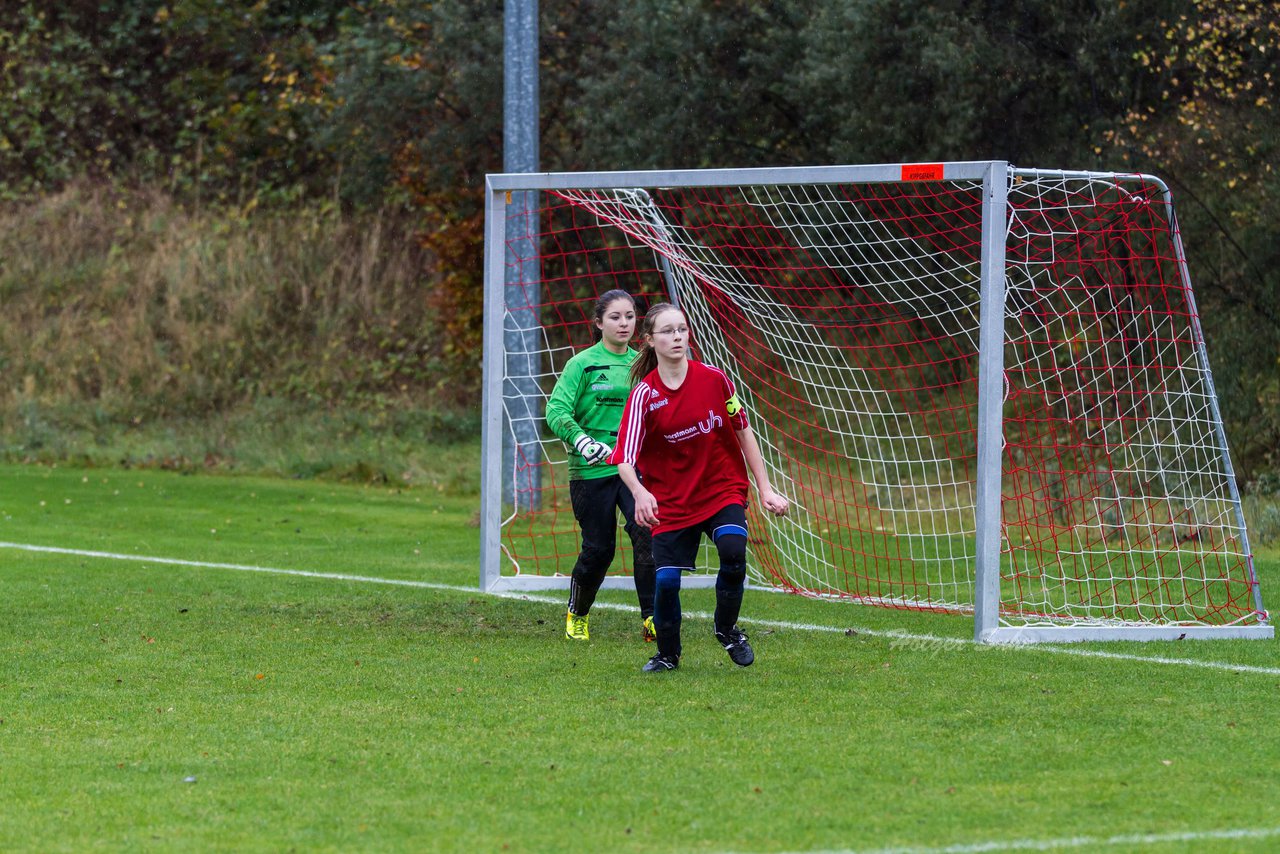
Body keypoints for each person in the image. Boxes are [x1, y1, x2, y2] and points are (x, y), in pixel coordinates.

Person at [609, 302, 789, 672]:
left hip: (721, 488)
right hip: (672, 500)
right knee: (668, 583)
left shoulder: (715, 379)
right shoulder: (645, 395)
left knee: (733, 548)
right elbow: (624, 457)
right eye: (668, 331)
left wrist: (766, 488)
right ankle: (668, 654)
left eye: (682, 329)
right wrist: (641, 493)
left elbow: (743, 431)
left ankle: (727, 630)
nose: (677, 337)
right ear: (650, 340)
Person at [545, 289, 657, 643]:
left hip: (632, 468)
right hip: (590, 471)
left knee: (647, 535)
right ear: (599, 323)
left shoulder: (644, 363)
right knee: (599, 549)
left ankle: (652, 618)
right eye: (615, 317)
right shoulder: (582, 364)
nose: (624, 323)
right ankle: (577, 614)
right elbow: (556, 411)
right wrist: (581, 440)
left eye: (629, 316)